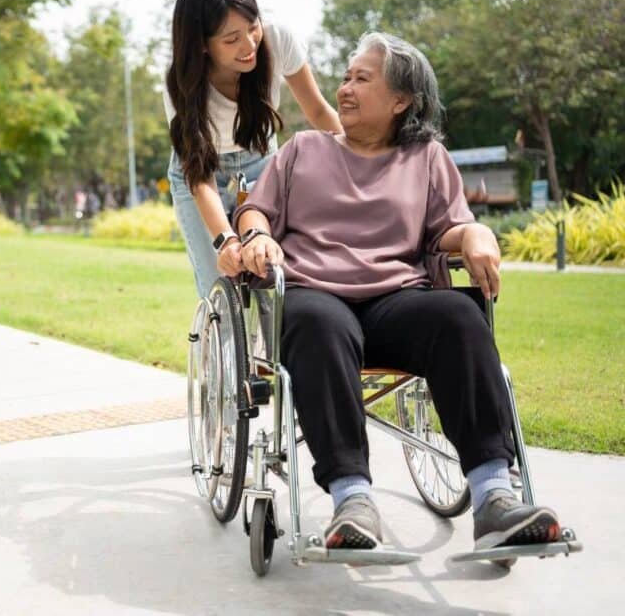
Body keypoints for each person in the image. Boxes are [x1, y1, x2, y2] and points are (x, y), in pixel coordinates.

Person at [232, 31, 562, 552]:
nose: (344, 88)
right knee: (320, 323)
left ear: (401, 100)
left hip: (396, 304)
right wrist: (256, 234)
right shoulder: (304, 149)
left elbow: (447, 227)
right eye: (345, 77)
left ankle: (495, 498)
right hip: (317, 295)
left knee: (458, 314)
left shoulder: (426, 157)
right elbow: (257, 208)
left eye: (361, 79)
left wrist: (474, 232)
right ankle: (352, 499)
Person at [164, 0, 342, 298]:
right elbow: (198, 174)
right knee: (221, 286)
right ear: (202, 44)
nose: (249, 46)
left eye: (252, 27)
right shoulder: (180, 81)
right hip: (203, 175)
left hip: (260, 165)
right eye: (231, 39)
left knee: (270, 271)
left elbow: (318, 112)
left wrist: (360, 164)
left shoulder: (277, 41)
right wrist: (225, 240)